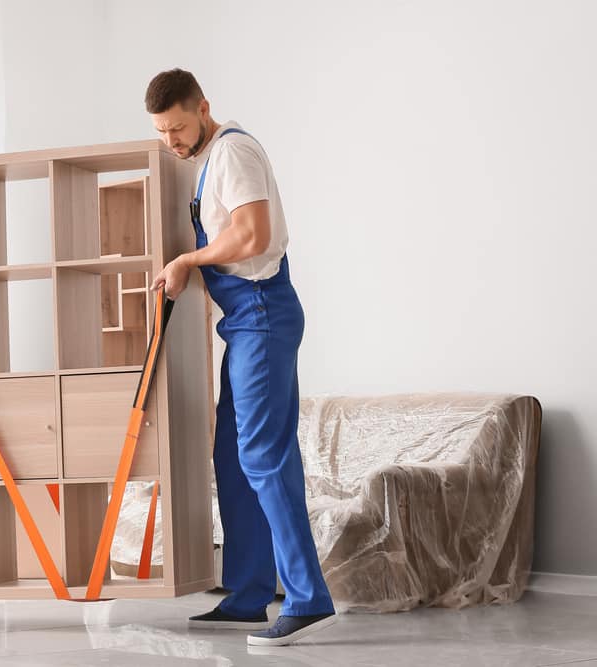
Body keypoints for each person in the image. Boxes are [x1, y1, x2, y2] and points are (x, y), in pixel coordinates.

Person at [147, 69, 337, 647]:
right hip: (244, 320)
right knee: (232, 454)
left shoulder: (232, 152)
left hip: (261, 310)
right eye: (162, 132)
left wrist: (187, 260)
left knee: (262, 454)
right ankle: (249, 593)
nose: (171, 141)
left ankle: (307, 598)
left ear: (203, 108)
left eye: (178, 127)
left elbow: (252, 234)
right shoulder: (207, 160)